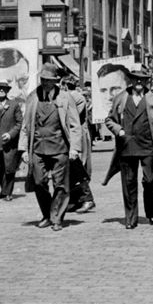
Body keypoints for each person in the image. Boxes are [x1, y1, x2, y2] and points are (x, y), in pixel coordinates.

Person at [18, 64, 82, 231]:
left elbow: (75, 125)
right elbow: (25, 125)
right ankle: (47, 214)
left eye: (49, 81)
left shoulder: (65, 98)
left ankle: (57, 218)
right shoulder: (33, 97)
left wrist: (75, 148)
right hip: (38, 148)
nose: (45, 83)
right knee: (39, 182)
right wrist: (24, 149)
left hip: (60, 147)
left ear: (56, 81)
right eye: (43, 80)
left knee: (61, 185)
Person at [104, 67, 153, 229]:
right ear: (130, 80)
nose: (138, 82)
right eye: (135, 78)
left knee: (149, 180)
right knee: (129, 183)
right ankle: (131, 218)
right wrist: (119, 130)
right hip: (127, 146)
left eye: (142, 79)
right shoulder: (121, 98)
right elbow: (109, 119)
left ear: (147, 81)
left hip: (148, 145)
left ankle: (152, 214)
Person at [62, 75, 95, 214]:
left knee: (77, 166)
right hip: (74, 135)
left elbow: (71, 117)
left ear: (64, 85)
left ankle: (87, 199)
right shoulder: (74, 96)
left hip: (76, 135)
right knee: (71, 168)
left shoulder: (74, 97)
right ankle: (74, 200)